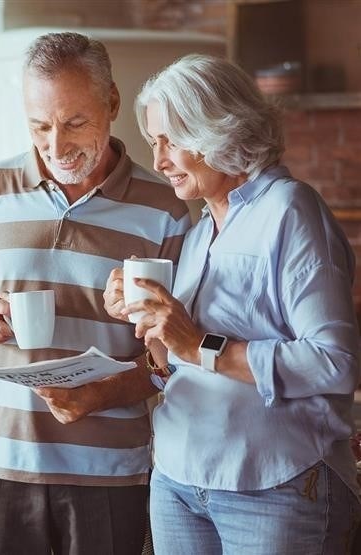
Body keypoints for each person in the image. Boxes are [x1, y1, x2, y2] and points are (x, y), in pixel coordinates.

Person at [0, 32, 191, 555]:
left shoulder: (167, 209)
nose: (56, 145)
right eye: (39, 126)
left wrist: (102, 394)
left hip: (109, 467)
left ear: (112, 102)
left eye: (74, 123)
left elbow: (176, 356)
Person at [103, 53, 361, 554]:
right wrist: (151, 325)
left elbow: (336, 363)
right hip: (179, 480)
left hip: (273, 486)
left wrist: (199, 342)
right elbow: (177, 365)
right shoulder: (201, 233)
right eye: (154, 142)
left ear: (215, 130)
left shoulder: (291, 209)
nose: (157, 161)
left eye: (170, 141)